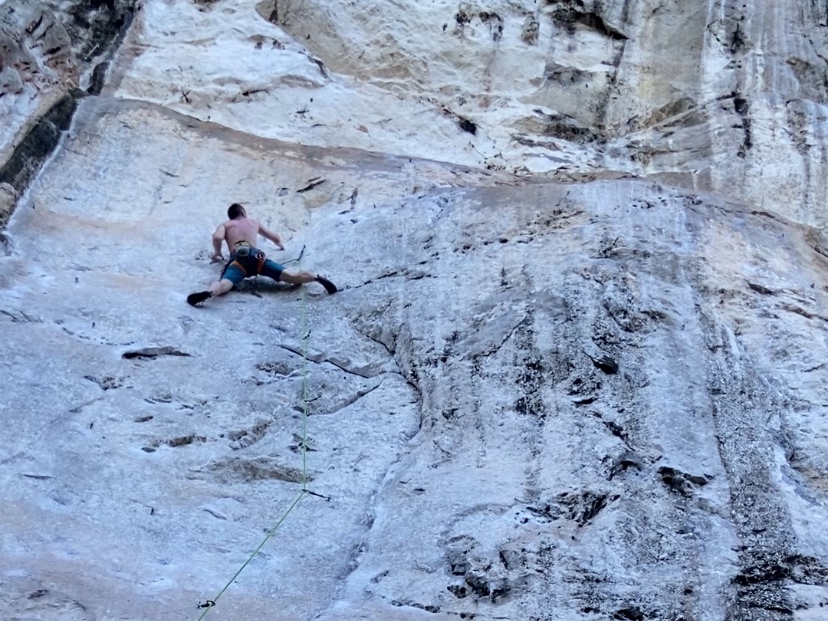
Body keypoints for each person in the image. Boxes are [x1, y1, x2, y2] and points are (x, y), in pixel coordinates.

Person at [187, 203, 336, 306]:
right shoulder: (253, 222)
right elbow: (275, 238)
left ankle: (209, 292)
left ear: (230, 216)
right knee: (291, 277)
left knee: (225, 284)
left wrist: (217, 253)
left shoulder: (226, 225)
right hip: (257, 257)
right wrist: (280, 245)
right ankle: (316, 277)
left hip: (238, 260)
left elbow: (217, 237)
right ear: (243, 213)